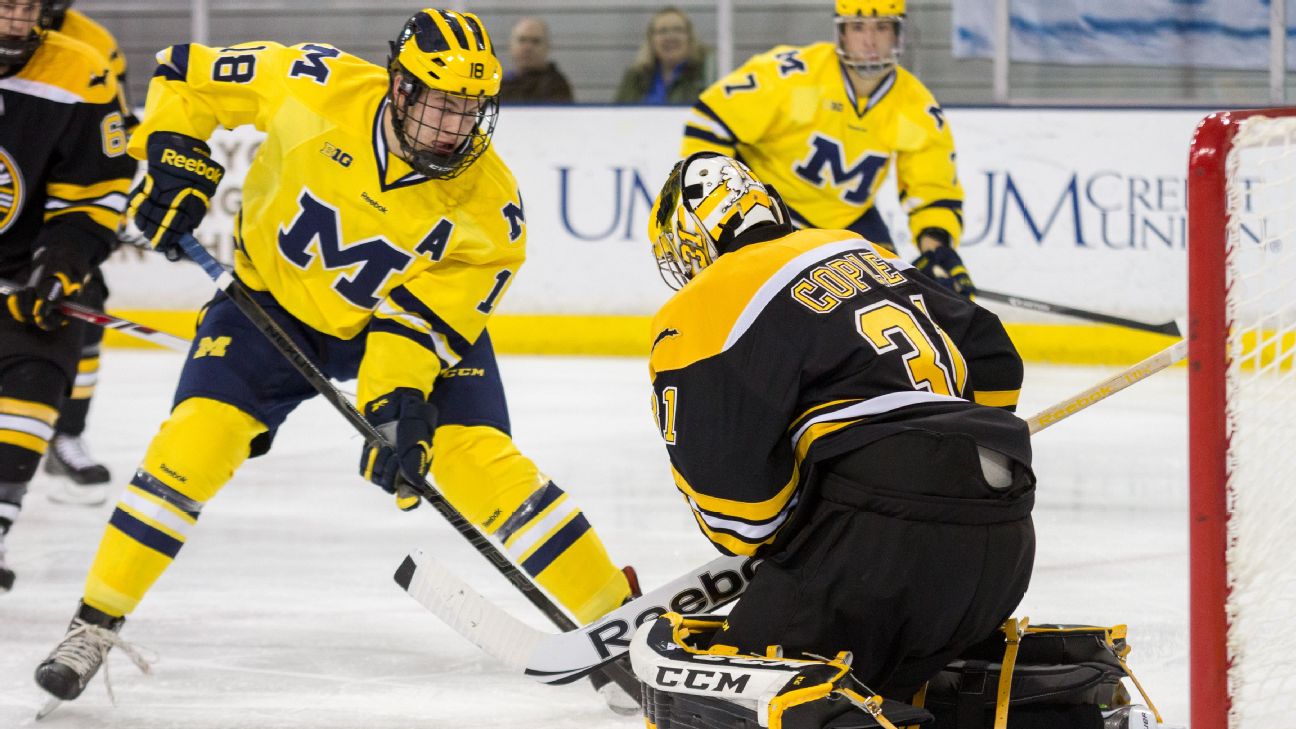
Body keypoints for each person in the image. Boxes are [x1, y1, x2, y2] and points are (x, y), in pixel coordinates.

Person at [34, 8, 634, 705]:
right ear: (400, 88)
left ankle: (615, 623)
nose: (456, 127)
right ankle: (94, 623)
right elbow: (183, 75)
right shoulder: (312, 83)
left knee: (476, 461)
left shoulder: (491, 207)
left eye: (471, 108)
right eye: (442, 103)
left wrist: (394, 407)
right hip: (269, 303)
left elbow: (418, 326)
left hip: (393, 328)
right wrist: (176, 160)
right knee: (191, 445)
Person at [631, 152, 1035, 727]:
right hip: (1004, 540)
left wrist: (815, 511)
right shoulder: (856, 251)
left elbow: (743, 519)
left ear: (692, 245)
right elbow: (995, 360)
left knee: (721, 696)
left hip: (874, 555)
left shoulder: (702, 303)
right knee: (907, 690)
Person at [681, 0, 975, 298]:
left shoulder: (917, 108)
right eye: (858, 27)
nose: (870, 40)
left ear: (898, 33)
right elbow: (710, 121)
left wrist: (937, 252)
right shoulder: (795, 75)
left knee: (892, 300)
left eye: (882, 27)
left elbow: (933, 191)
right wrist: (719, 210)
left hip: (848, 220)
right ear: (842, 33)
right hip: (769, 212)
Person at [0, 0, 135, 592]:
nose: (16, 22)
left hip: (20, 273)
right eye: (5, 6)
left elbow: (93, 189)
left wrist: (62, 260)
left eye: (28, 8)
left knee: (39, 372)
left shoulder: (80, 62)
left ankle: (65, 435)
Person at [39, 0, 138, 501]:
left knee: (83, 308)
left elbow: (115, 130)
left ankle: (67, 434)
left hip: (63, 209)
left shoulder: (94, 43)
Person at [614, 6, 712, 105]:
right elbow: (616, 114)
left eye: (678, 30)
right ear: (651, 40)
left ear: (690, 37)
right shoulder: (635, 77)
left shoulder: (706, 74)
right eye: (662, 31)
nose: (670, 37)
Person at [500, 16, 573, 104]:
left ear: (547, 47)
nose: (527, 48)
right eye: (522, 40)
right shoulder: (501, 85)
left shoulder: (557, 87)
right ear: (511, 46)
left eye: (535, 41)